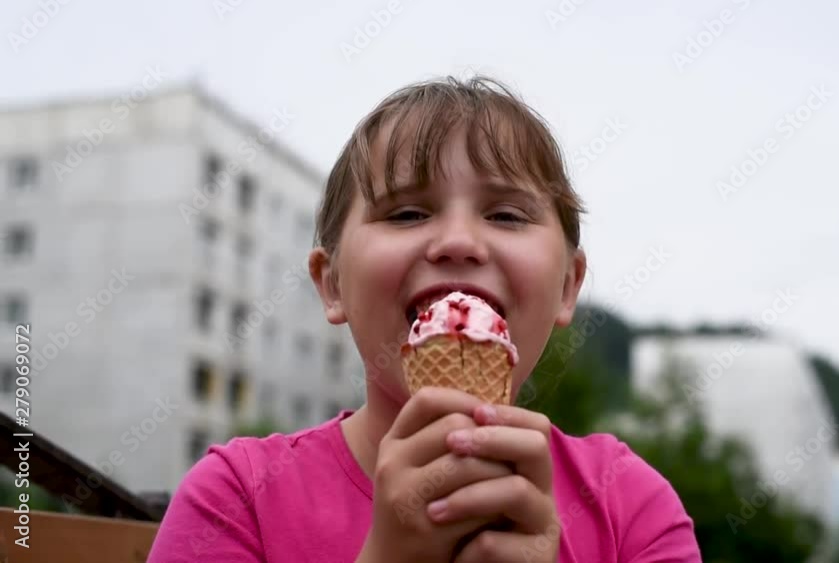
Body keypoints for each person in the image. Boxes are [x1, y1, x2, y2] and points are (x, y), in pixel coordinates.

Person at [148, 76, 701, 562]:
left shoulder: (631, 506)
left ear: (567, 286)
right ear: (332, 284)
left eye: (507, 215)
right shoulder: (237, 496)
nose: (458, 241)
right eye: (407, 213)